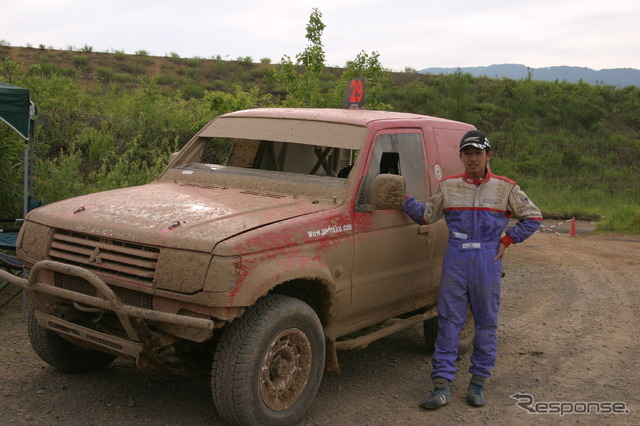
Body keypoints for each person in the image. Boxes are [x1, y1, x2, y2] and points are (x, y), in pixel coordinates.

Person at [402, 130, 542, 409]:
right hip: (456, 257)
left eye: (478, 153)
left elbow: (533, 217)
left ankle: (478, 384)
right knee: (449, 322)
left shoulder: (506, 188)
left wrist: (506, 240)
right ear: (461, 157)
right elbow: (427, 215)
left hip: (487, 259)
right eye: (468, 153)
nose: (473, 158)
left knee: (486, 322)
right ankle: (441, 386)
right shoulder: (449, 186)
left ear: (488, 156)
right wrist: (402, 198)